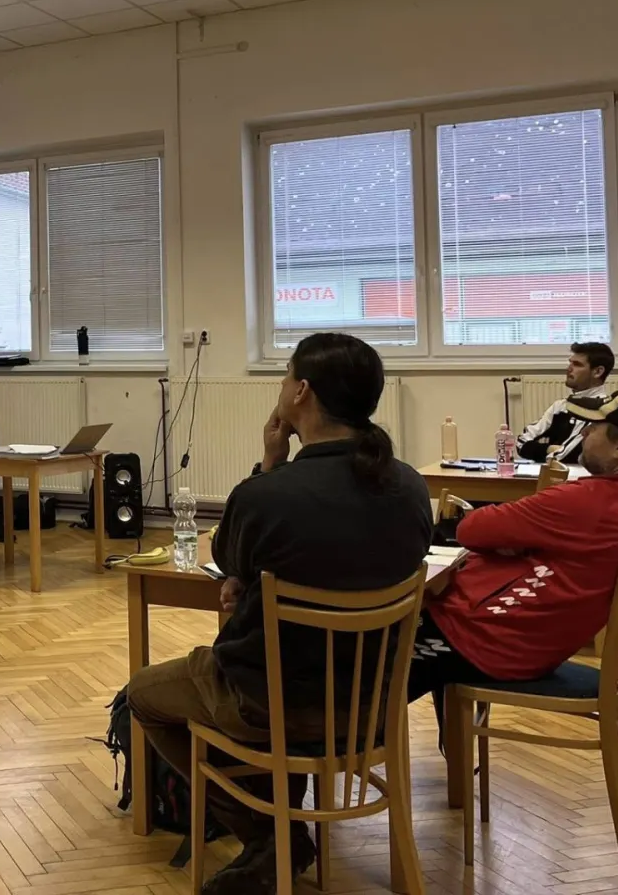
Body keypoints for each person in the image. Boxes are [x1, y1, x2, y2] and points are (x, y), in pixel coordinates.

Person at [127, 333, 432, 895]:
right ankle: (274, 825)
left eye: (286, 374)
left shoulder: (269, 494)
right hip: (369, 704)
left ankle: (269, 834)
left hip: (271, 703)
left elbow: (228, 557)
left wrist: (269, 463)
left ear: (302, 392)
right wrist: (250, 578)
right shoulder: (410, 485)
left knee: (141, 694)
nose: (283, 383)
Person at [408, 390, 618, 728]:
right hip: (532, 646)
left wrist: (519, 544)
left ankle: (356, 747)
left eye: (594, 427)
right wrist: (529, 546)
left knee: (364, 659)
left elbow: (471, 529)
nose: (584, 433)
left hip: (485, 642)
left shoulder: (588, 501)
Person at [516, 341, 615, 462]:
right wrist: (549, 449)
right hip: (553, 471)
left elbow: (568, 456)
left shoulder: (604, 411)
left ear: (598, 372)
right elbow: (521, 442)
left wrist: (545, 451)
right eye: (570, 363)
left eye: (577, 364)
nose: (569, 369)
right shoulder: (560, 406)